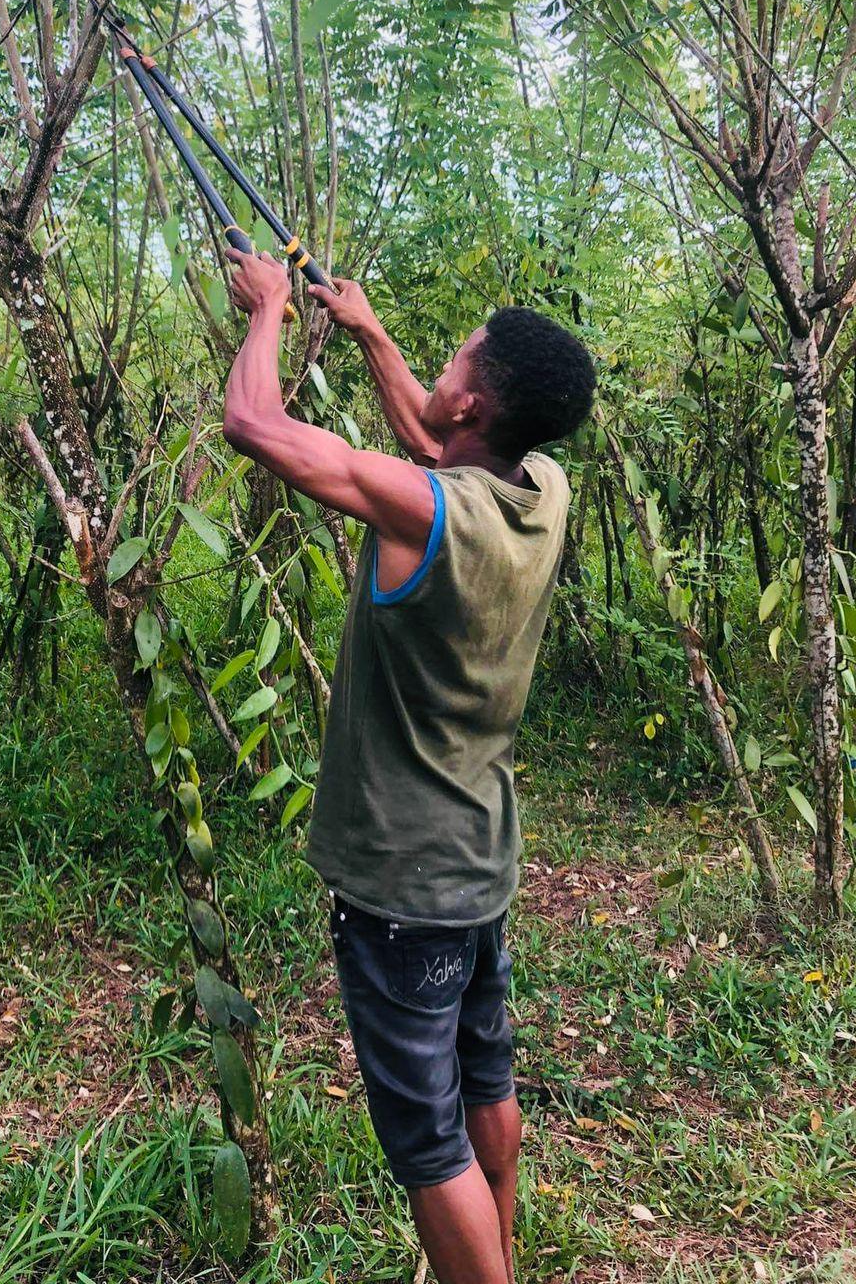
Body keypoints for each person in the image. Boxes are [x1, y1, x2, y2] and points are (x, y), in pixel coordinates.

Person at [222, 249, 597, 1284]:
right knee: (487, 1077)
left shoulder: (428, 511)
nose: (439, 369)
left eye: (452, 359)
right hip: (476, 864)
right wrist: (371, 331)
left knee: (427, 1144)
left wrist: (270, 313)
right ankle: (497, 1255)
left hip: (404, 884)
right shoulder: (541, 489)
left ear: (473, 400)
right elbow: (439, 437)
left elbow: (255, 427)